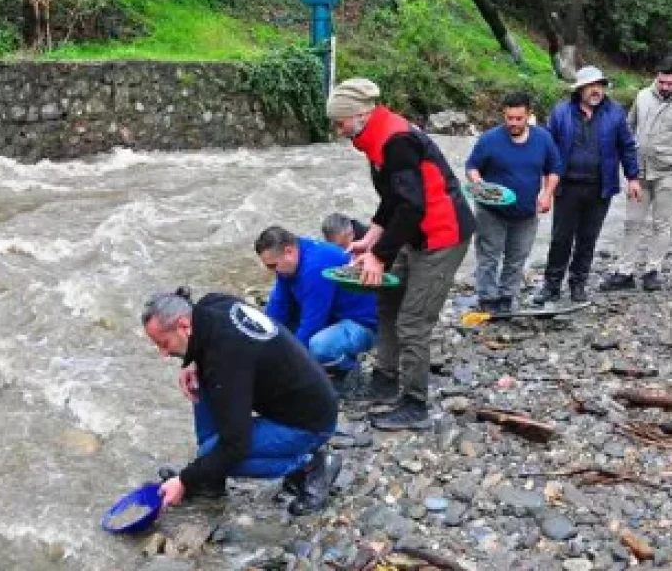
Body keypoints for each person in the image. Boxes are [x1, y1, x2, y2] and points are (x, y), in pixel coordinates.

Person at [325, 78, 474, 431]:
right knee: (387, 302)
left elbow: (412, 205)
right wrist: (372, 239)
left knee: (413, 320)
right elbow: (392, 199)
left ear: (360, 114)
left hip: (442, 235)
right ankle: (385, 378)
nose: (338, 129)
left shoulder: (397, 140)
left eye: (340, 122)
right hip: (413, 231)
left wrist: (378, 256)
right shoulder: (372, 137)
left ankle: (414, 402)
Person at [142, 288, 342, 515]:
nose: (163, 354)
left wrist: (185, 480)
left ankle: (311, 465)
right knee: (202, 388)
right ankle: (210, 480)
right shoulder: (211, 305)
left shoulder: (225, 359)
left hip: (309, 422)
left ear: (184, 326)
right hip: (297, 392)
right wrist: (193, 362)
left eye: (164, 343)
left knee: (211, 454)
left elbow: (234, 445)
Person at [601, 56, 672, 292]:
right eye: (660, 81)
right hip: (639, 171)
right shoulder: (642, 96)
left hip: (669, 172)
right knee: (632, 222)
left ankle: (653, 271)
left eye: (669, 83)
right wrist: (625, 162)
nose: (664, 87)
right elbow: (628, 128)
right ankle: (625, 271)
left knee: (661, 223)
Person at [533, 66, 642, 305]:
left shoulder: (615, 113)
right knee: (560, 238)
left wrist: (633, 177)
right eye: (591, 85)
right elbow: (548, 149)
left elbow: (627, 146)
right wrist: (545, 186)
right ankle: (551, 286)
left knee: (588, 238)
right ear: (580, 89)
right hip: (567, 186)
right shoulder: (561, 112)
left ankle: (578, 284)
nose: (596, 90)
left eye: (600, 85)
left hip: (600, 187)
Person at [465, 91, 562, 313]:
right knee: (488, 255)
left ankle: (508, 297)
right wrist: (478, 182)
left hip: (526, 211)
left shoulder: (543, 139)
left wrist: (547, 194)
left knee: (517, 257)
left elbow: (554, 168)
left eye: (519, 118)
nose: (513, 123)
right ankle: (487, 298)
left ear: (529, 115)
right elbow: (472, 166)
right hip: (491, 210)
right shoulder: (490, 139)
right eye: (509, 118)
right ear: (504, 115)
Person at [255, 226, 378, 380]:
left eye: (272, 266)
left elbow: (312, 324)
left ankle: (352, 375)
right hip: (333, 315)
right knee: (279, 334)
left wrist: (284, 364)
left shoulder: (314, 268)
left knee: (319, 347)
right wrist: (262, 342)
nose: (273, 271)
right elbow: (278, 305)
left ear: (289, 251)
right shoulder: (291, 259)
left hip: (363, 324)